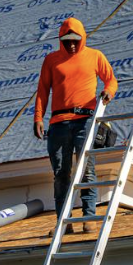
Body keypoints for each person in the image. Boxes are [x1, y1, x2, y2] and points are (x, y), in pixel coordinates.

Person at [32, 17, 118, 234]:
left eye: (75, 40)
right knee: (61, 173)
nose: (71, 44)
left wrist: (108, 93)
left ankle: (89, 217)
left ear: (82, 39)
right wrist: (38, 118)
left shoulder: (94, 56)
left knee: (86, 169)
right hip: (58, 123)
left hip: (84, 120)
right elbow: (42, 91)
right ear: (61, 40)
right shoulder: (52, 60)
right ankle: (64, 221)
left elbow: (111, 80)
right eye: (67, 40)